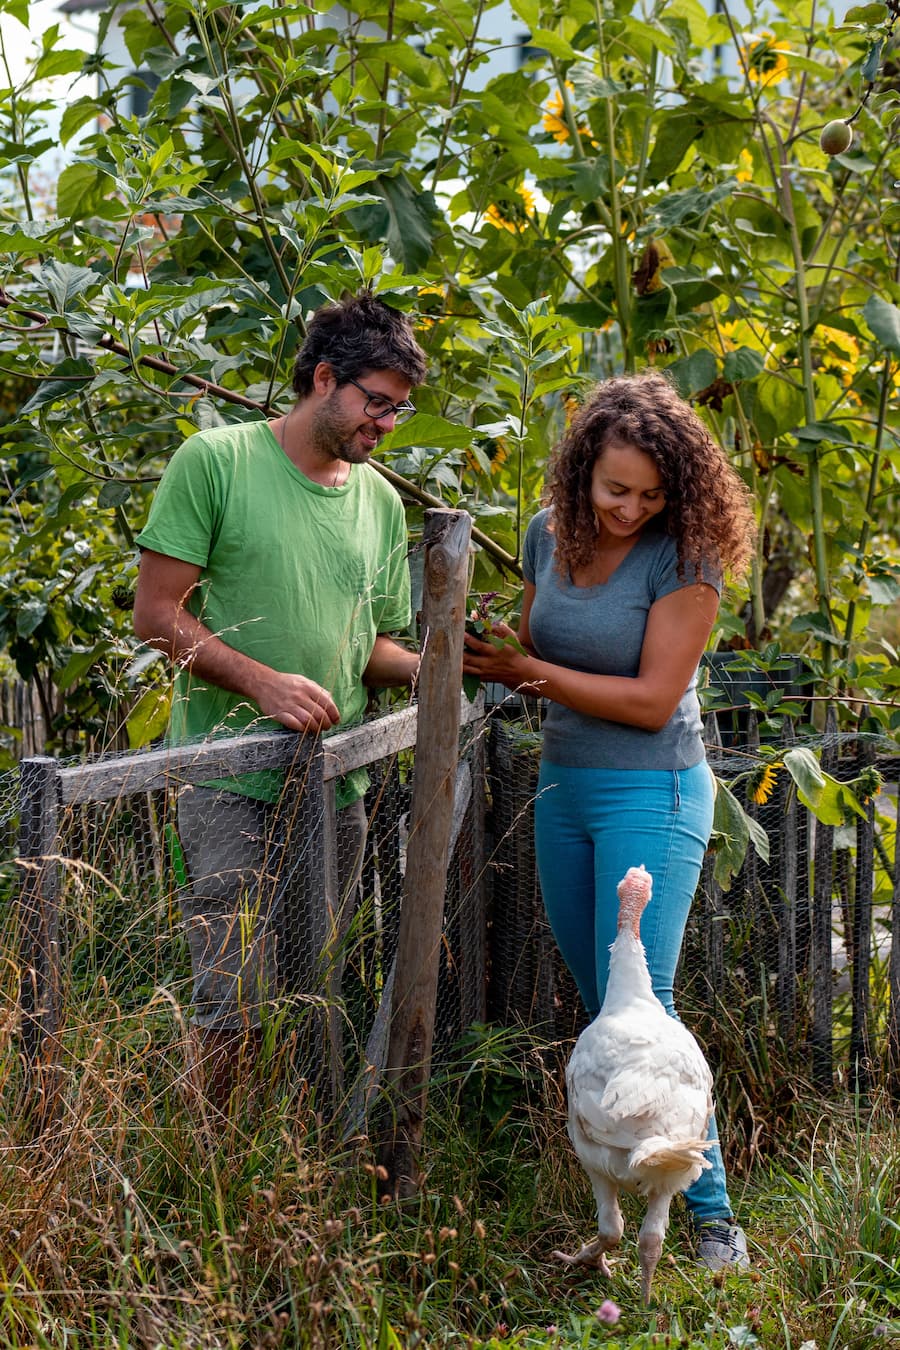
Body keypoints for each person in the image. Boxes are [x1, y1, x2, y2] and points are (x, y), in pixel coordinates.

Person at [462, 371, 755, 1271]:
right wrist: (495, 648)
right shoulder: (545, 534)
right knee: (605, 1010)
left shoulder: (685, 556)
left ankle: (715, 1226)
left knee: (644, 1006)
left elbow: (653, 699)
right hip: (566, 786)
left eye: (652, 495)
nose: (631, 509)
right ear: (582, 470)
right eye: (616, 489)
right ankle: (636, 1213)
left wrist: (523, 674)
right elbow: (532, 647)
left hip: (651, 789)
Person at [133, 291, 426, 1114]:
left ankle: (298, 1156)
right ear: (324, 378)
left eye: (398, 411)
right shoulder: (215, 461)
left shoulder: (379, 501)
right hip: (228, 775)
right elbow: (156, 616)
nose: (386, 425)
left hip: (335, 782)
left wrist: (440, 670)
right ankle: (216, 1162)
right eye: (377, 403)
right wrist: (261, 682)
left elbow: (370, 647)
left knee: (313, 989)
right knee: (231, 995)